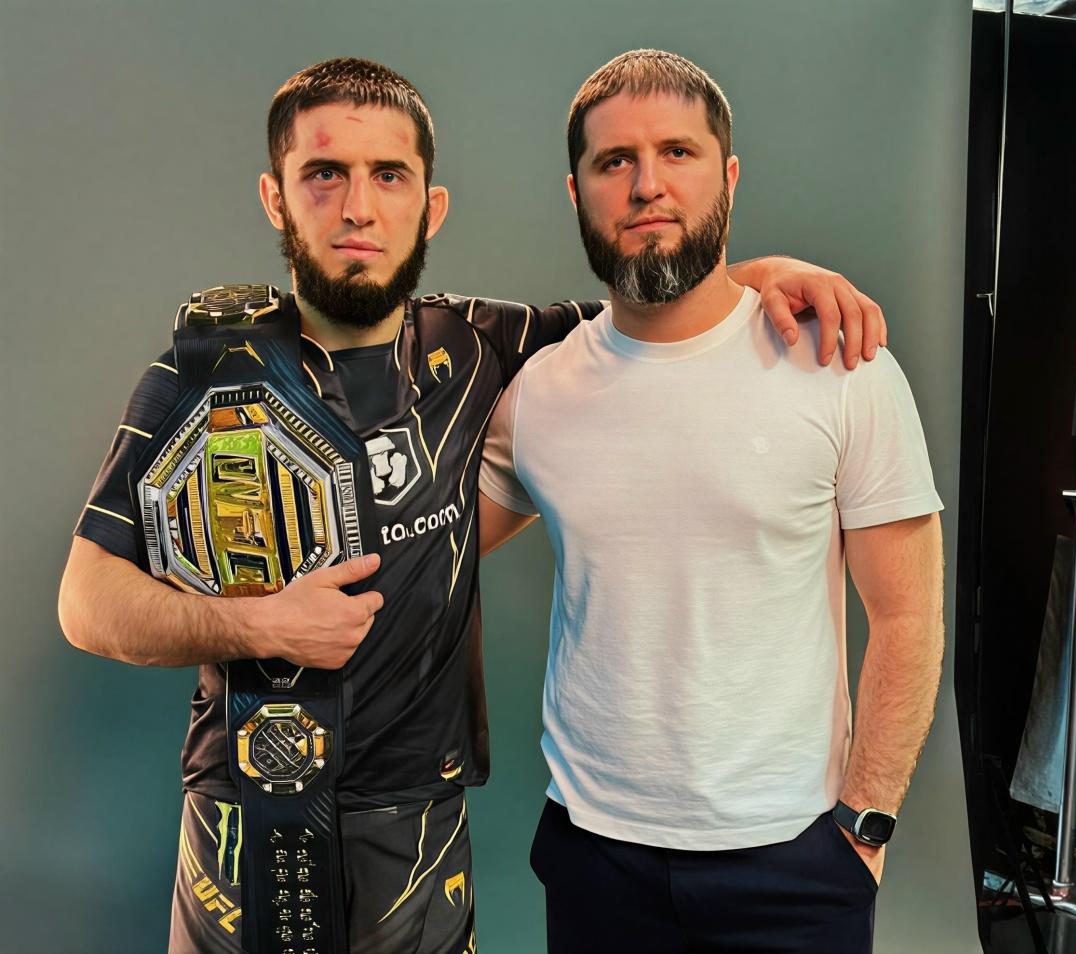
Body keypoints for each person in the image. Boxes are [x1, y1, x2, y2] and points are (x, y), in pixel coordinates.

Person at [58, 57, 887, 953]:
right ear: (275, 196)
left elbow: (663, 300)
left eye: (389, 175)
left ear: (431, 205)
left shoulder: (490, 348)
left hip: (417, 827)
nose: (358, 208)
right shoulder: (203, 371)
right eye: (324, 174)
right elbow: (87, 603)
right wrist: (257, 626)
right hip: (242, 816)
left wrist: (772, 272)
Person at [478, 49, 945, 954]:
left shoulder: (843, 366)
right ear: (576, 193)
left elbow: (908, 617)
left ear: (728, 178)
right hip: (595, 850)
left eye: (677, 153)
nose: (646, 185)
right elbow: (430, 545)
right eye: (615, 161)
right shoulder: (540, 392)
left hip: (797, 859)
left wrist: (867, 824)